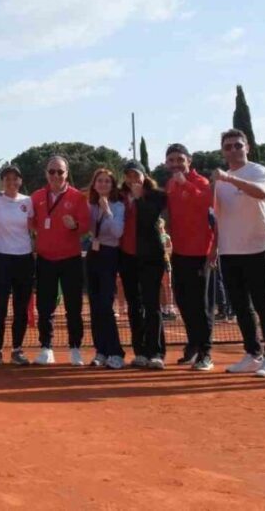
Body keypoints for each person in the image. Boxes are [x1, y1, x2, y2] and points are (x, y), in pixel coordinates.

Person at [213, 129, 265, 378]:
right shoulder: (220, 181)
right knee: (241, 306)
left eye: (237, 146)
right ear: (223, 150)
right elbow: (216, 215)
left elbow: (262, 194)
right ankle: (253, 354)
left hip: (258, 247)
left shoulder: (258, 172)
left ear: (247, 147)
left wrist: (230, 180)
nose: (233, 150)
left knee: (264, 303)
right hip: (229, 251)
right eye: (228, 147)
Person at [31, 156, 90, 366]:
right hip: (45, 260)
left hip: (70, 259)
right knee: (45, 307)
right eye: (52, 171)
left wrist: (74, 225)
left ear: (67, 173)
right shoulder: (37, 196)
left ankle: (75, 348)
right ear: (46, 173)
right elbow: (31, 222)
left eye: (60, 172)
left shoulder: (78, 197)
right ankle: (46, 347)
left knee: (73, 306)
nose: (56, 175)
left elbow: (86, 226)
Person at [164, 143, 216, 371]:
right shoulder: (169, 185)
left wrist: (186, 185)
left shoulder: (201, 182)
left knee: (201, 305)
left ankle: (206, 352)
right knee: (183, 301)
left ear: (189, 160)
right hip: (179, 252)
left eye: (179, 160)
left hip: (201, 254)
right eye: (172, 160)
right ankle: (193, 344)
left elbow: (207, 203)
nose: (176, 164)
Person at [0, 164, 35, 367]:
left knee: (21, 308)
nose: (11, 182)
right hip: (0, 258)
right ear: (2, 181)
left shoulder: (28, 202)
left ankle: (17, 350)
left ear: (20, 181)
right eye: (7, 179)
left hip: (24, 259)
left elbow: (36, 225)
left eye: (15, 178)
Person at [120, 160, 168, 369]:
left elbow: (150, 218)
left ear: (144, 176)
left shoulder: (156, 195)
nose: (132, 180)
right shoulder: (120, 197)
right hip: (127, 258)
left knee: (151, 305)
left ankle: (156, 352)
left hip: (151, 258)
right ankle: (139, 351)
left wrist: (139, 198)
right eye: (129, 176)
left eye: (136, 175)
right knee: (134, 306)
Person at [84, 168, 125, 369]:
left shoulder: (118, 206)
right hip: (93, 254)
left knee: (105, 305)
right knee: (94, 305)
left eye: (107, 181)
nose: (103, 184)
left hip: (110, 254)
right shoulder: (90, 206)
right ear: (94, 184)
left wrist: (107, 210)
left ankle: (116, 352)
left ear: (112, 185)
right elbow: (85, 228)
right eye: (99, 181)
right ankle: (101, 351)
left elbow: (117, 232)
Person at [159, 220, 176, 320]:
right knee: (160, 287)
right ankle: (163, 308)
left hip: (166, 263)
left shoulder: (166, 237)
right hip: (157, 263)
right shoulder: (154, 237)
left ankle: (170, 308)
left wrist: (164, 252)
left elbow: (170, 251)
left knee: (168, 286)